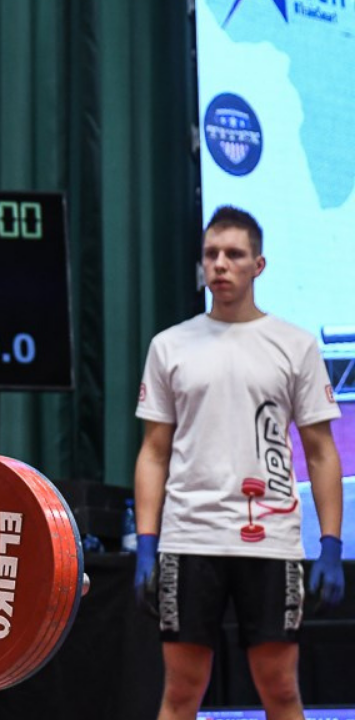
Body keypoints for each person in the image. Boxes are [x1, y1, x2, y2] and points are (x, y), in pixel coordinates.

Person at [133, 205, 346, 720]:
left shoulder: (294, 345)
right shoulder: (170, 345)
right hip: (191, 538)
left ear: (259, 264)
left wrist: (332, 544)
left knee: (282, 692)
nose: (220, 265)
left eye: (233, 254)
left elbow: (320, 451)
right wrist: (146, 543)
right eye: (211, 254)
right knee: (181, 694)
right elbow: (154, 452)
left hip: (270, 543)